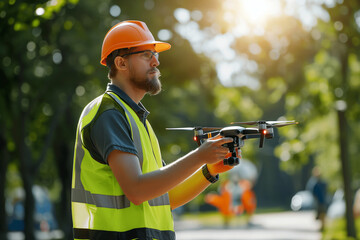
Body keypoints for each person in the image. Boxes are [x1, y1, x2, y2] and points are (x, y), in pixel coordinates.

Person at [71, 20, 237, 240]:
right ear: (121, 63)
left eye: (155, 55)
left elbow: (165, 198)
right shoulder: (109, 113)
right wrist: (199, 156)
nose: (156, 61)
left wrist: (209, 170)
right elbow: (137, 191)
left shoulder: (137, 119)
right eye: (146, 55)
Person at [306, 166, 328, 231]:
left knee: (323, 213)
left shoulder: (322, 182)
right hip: (318, 200)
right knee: (320, 213)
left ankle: (323, 226)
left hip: (322, 200)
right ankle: (322, 226)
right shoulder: (314, 183)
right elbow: (311, 191)